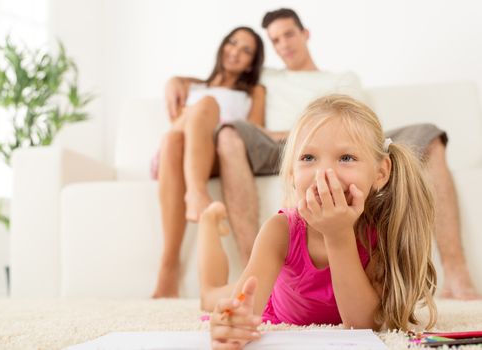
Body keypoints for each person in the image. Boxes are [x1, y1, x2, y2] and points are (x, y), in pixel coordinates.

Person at [166, 8, 478, 300]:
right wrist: (176, 80)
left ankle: (457, 273)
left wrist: (339, 148)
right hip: (282, 144)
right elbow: (223, 77)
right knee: (230, 132)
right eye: (275, 40)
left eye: (288, 34)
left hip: (342, 138)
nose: (283, 44)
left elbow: (357, 127)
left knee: (430, 134)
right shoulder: (267, 78)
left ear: (305, 34)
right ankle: (258, 269)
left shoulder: (342, 79)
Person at [202, 94, 438, 348]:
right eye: (308, 158)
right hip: (275, 301)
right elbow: (244, 310)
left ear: (380, 173)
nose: (324, 173)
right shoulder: (279, 231)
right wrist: (233, 322)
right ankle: (209, 221)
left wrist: (338, 235)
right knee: (211, 296)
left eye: (346, 158)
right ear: (293, 174)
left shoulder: (382, 230)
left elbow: (362, 325)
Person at [151, 26, 265, 298]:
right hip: (179, 150)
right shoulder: (191, 87)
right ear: (223, 44)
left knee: (207, 105)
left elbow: (254, 131)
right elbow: (175, 128)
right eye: (232, 42)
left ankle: (195, 194)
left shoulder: (254, 91)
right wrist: (190, 98)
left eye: (246, 50)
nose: (235, 51)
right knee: (173, 140)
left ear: (252, 62)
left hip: (219, 152)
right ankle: (169, 265)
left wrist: (206, 110)